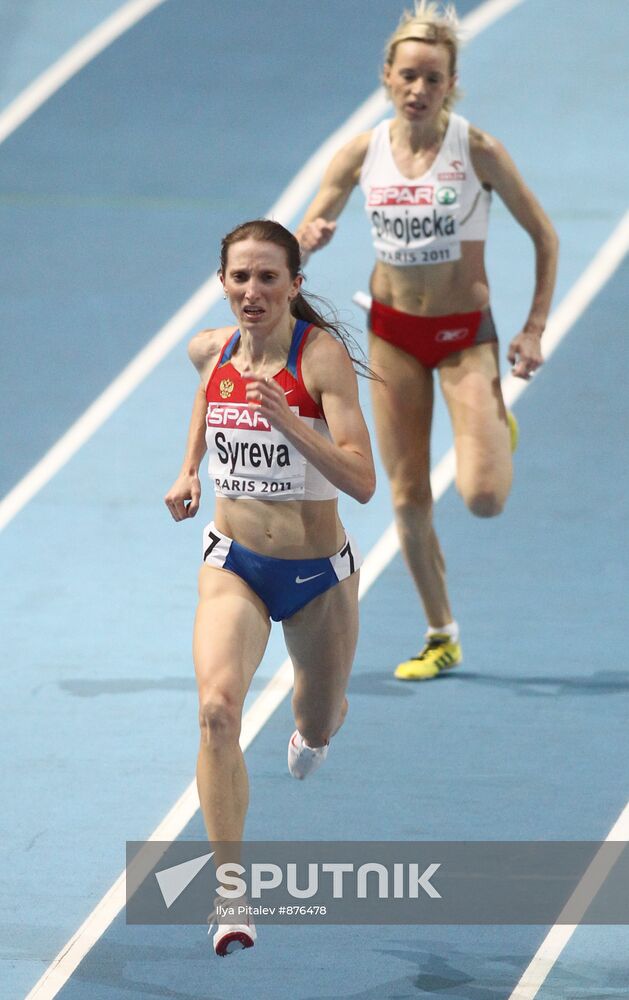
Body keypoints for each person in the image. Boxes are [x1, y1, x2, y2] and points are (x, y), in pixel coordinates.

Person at [295, 0, 558, 681]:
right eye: (406, 75)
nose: (417, 89)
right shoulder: (361, 152)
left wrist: (531, 327)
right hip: (392, 336)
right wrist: (306, 241)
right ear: (385, 76)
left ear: (450, 85)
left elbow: (544, 236)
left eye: (431, 79)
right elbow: (297, 241)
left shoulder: (477, 152)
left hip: (464, 337)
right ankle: (441, 632)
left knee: (482, 498)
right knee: (406, 496)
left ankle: (493, 423)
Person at [164, 219, 375, 956]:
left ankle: (319, 721)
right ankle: (230, 893)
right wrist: (189, 467)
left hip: (318, 577)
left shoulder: (320, 360)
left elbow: (363, 482)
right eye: (239, 278)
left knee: (315, 723)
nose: (251, 292)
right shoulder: (211, 348)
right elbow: (205, 391)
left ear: (293, 284)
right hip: (235, 567)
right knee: (217, 711)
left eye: (266, 278)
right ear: (222, 283)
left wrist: (288, 420)